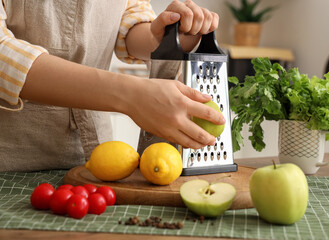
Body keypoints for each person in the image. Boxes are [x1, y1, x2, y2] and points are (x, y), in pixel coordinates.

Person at [0, 0, 225, 172]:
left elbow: (129, 19)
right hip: (12, 162)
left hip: (99, 160)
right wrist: (132, 95)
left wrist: (166, 36)